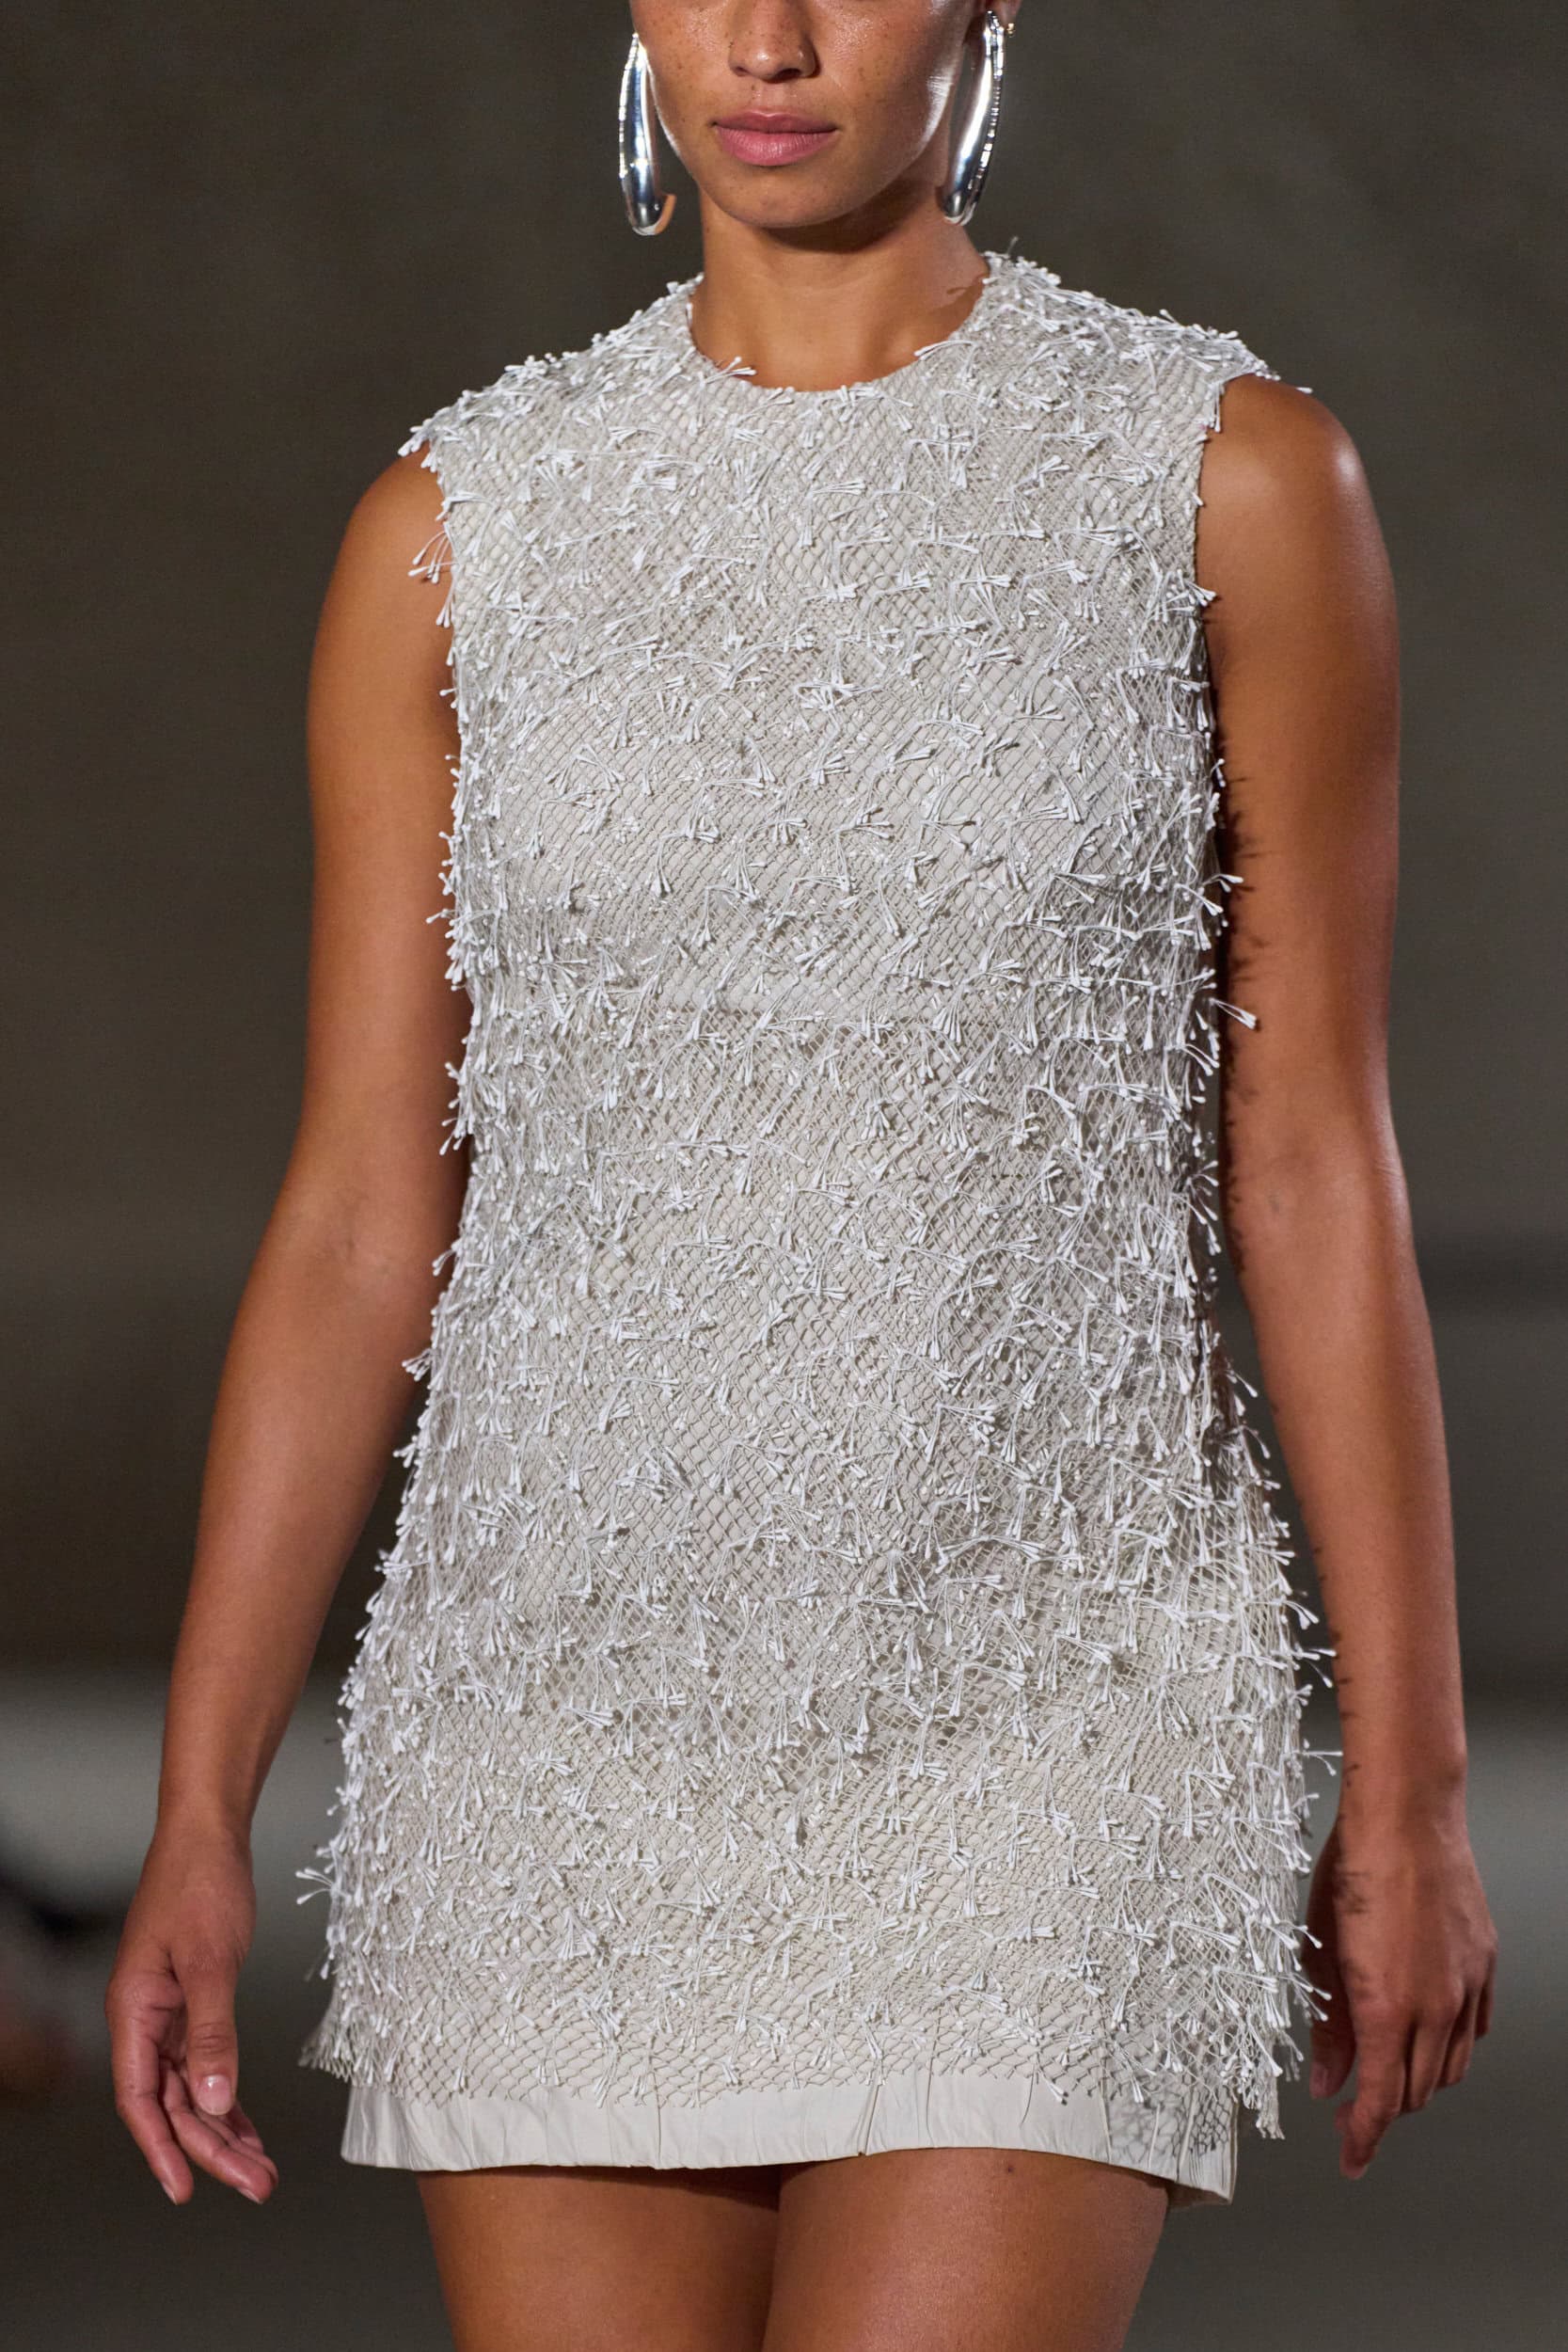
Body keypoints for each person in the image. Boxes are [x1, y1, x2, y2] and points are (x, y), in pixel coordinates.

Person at [108, 5, 1498, 2344]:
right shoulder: (460, 527)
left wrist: (1415, 1777)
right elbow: (360, 1207)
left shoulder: (1226, 481)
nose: (765, 38)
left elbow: (1311, 1162)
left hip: (1052, 1707)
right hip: (557, 1720)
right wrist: (197, 1798)